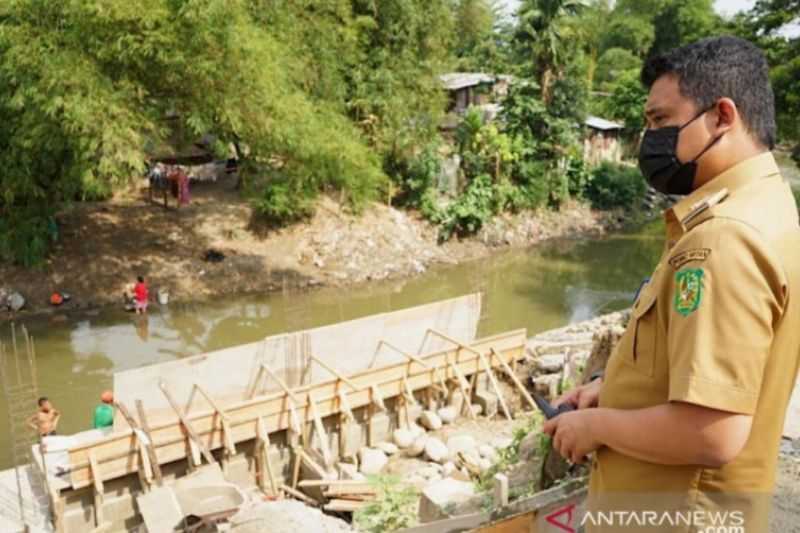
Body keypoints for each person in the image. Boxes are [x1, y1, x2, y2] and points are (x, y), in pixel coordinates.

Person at [543, 36, 800, 532]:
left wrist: (594, 427)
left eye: (661, 121)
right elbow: (708, 369)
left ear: (723, 116)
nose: (649, 138)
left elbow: (712, 431)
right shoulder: (769, 207)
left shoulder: (724, 239)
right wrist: (608, 392)